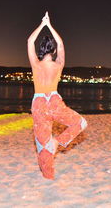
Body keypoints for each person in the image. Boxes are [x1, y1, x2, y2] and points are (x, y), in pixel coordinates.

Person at [27, 12, 88, 180]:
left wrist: (42, 24)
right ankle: (58, 142)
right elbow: (60, 44)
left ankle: (48, 176)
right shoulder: (59, 64)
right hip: (54, 102)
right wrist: (50, 25)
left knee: (42, 145)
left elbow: (30, 41)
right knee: (80, 123)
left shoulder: (35, 64)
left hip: (39, 104)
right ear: (53, 50)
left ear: (41, 50)